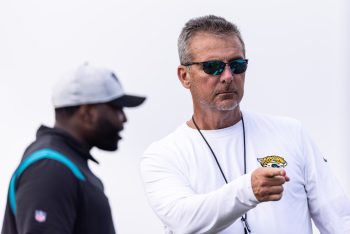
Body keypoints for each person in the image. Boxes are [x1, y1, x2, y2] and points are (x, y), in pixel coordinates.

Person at [140, 15, 350, 234]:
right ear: (184, 76)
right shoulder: (162, 155)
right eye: (213, 67)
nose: (228, 76)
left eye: (237, 65)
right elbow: (183, 221)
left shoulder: (290, 133)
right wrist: (248, 189)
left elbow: (340, 220)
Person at [2, 63, 145, 234]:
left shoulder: (67, 165)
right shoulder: (50, 167)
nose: (124, 118)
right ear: (87, 113)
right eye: (117, 108)